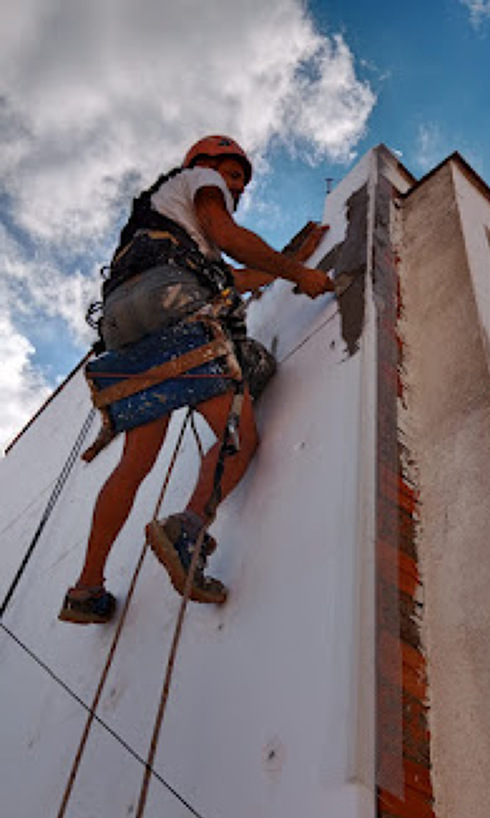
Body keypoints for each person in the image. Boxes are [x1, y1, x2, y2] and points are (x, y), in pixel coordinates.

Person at [59, 135, 333, 624]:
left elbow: (235, 275)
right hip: (173, 299)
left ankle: (86, 590)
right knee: (240, 438)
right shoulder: (201, 183)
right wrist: (300, 274)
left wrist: (290, 260)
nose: (236, 187)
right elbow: (229, 236)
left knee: (136, 462)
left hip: (124, 324)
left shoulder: (162, 222)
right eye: (233, 174)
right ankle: (187, 527)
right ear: (205, 165)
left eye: (240, 182)